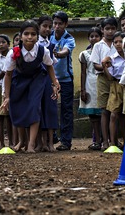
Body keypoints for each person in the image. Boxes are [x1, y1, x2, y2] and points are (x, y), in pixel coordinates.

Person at [0, 20, 60, 153]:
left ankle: (31, 144)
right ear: (21, 36)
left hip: (36, 79)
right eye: (26, 34)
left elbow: (49, 66)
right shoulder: (13, 52)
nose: (29, 37)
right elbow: (8, 75)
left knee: (34, 107)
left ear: (37, 36)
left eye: (33, 34)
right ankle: (22, 140)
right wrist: (7, 96)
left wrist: (54, 83)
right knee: (18, 108)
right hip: (19, 80)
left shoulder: (42, 50)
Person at [89, 17, 117, 151]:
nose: (110, 31)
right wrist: (105, 66)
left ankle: (115, 141)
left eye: (112, 28)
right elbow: (95, 65)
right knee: (104, 110)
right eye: (107, 29)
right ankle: (105, 141)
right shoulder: (98, 46)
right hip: (103, 79)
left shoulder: (119, 43)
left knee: (116, 110)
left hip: (118, 79)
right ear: (102, 30)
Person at [50, 11, 75, 151]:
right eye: (55, 23)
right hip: (51, 79)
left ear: (65, 24)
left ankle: (66, 141)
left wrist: (57, 54)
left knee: (66, 110)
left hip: (65, 79)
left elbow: (66, 51)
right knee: (50, 108)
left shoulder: (69, 38)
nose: (57, 26)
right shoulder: (49, 37)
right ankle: (51, 137)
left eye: (60, 23)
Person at [78, 27, 103, 150]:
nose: (94, 38)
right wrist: (82, 89)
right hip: (90, 84)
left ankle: (106, 140)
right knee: (93, 115)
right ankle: (97, 140)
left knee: (104, 113)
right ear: (88, 38)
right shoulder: (84, 54)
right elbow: (83, 72)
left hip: (103, 82)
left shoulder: (105, 52)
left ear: (101, 37)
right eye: (91, 36)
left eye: (96, 36)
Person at [37, 15, 59, 152]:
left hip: (48, 81)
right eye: (44, 26)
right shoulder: (34, 44)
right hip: (36, 80)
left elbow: (52, 66)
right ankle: (40, 143)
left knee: (50, 109)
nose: (47, 29)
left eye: (49, 27)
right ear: (38, 26)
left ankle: (51, 142)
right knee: (38, 109)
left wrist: (55, 82)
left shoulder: (50, 45)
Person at [101, 32, 125, 150]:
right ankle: (113, 144)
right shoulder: (112, 58)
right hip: (116, 86)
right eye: (115, 42)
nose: (118, 44)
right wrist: (104, 66)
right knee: (113, 114)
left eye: (121, 41)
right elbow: (110, 77)